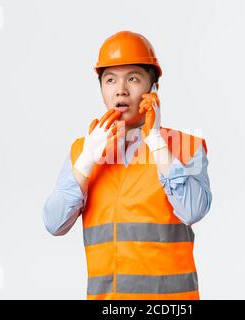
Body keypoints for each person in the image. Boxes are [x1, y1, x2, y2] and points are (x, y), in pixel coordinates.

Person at [43, 30, 212, 300]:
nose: (120, 90)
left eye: (133, 78)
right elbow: (54, 223)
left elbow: (193, 210)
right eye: (110, 80)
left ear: (153, 87)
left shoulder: (185, 146)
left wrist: (156, 140)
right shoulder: (82, 150)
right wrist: (87, 161)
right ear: (101, 88)